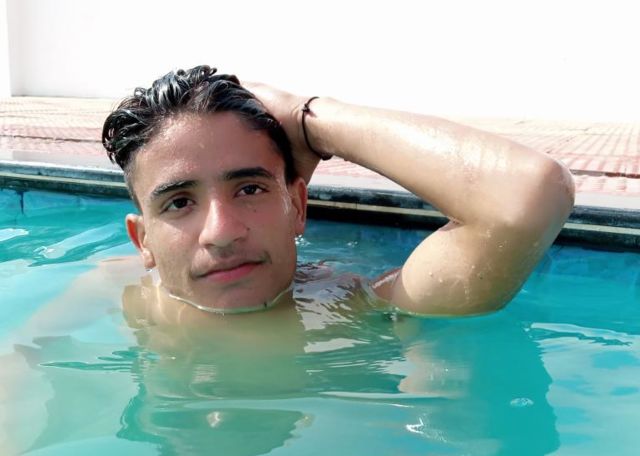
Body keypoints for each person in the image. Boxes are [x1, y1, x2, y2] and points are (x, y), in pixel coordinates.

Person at [100, 64, 574, 318]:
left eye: (249, 189)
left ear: (297, 206)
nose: (221, 233)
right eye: (180, 202)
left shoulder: (356, 308)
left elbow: (529, 193)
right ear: (143, 241)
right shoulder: (110, 293)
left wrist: (308, 119)